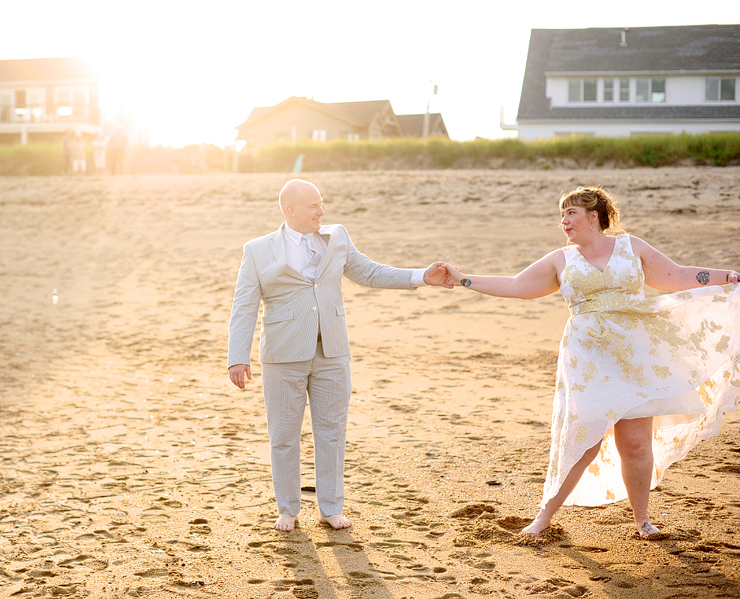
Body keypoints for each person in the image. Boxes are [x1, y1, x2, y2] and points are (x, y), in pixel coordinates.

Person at [438, 185, 740, 538]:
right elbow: (517, 285)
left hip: (637, 355)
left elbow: (676, 276)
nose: (564, 221)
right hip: (589, 360)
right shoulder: (560, 259)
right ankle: (543, 517)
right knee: (583, 439)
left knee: (636, 443)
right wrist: (463, 280)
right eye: (562, 215)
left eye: (571, 213)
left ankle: (642, 520)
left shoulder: (632, 247)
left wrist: (727, 277)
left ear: (594, 215)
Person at [228, 179, 449, 531]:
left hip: (332, 351)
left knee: (331, 432)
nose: (322, 210)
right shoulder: (257, 250)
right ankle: (287, 509)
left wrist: (422, 276)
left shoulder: (337, 237)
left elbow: (371, 272)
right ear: (291, 210)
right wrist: (237, 356)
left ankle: (330, 508)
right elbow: (244, 306)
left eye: (322, 203)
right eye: (314, 205)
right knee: (283, 436)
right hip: (283, 355)